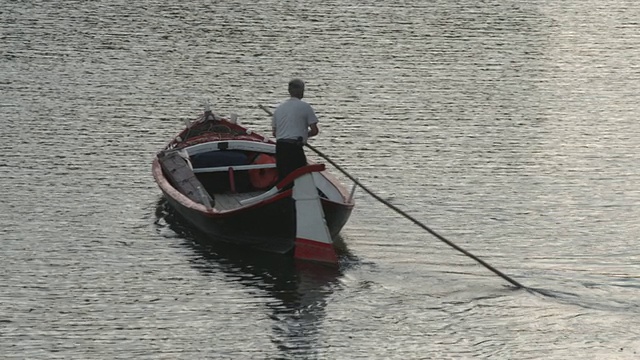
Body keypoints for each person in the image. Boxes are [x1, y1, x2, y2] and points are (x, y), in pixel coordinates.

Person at [271, 79, 319, 183]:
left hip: (280, 148)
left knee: (284, 180)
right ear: (301, 91)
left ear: (289, 91)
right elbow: (315, 130)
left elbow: (275, 133)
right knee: (300, 178)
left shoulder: (279, 109)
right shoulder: (305, 107)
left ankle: (283, 197)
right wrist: (304, 135)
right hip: (294, 148)